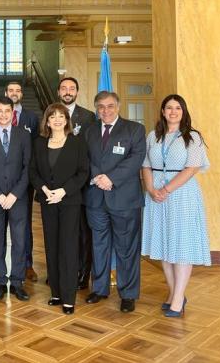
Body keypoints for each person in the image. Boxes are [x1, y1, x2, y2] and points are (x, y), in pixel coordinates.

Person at [141, 94, 210, 318]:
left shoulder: (193, 137)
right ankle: (173, 293)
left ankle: (179, 298)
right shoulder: (153, 136)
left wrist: (167, 190)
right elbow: (146, 166)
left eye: (177, 108)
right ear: (162, 111)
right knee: (163, 242)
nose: (173, 112)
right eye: (169, 108)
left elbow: (192, 168)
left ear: (183, 112)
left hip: (181, 195)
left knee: (181, 244)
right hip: (156, 195)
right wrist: (152, 190)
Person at [84, 91, 146, 313]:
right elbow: (85, 158)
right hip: (95, 198)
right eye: (101, 107)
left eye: (110, 106)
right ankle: (100, 289)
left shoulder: (134, 129)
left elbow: (136, 159)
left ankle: (128, 293)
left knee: (127, 248)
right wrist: (98, 177)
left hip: (125, 199)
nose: (105, 111)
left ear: (118, 107)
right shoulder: (89, 131)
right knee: (99, 245)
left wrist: (111, 178)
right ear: (96, 109)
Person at [30, 103, 90, 314]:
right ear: (47, 120)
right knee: (51, 246)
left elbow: (83, 173)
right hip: (47, 200)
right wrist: (45, 189)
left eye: (61, 116)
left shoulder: (77, 143)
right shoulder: (39, 143)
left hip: (69, 201)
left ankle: (69, 297)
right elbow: (33, 171)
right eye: (52, 116)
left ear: (67, 120)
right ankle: (56, 293)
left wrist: (63, 192)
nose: (57, 119)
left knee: (68, 248)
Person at [0, 97, 31, 301]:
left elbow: (28, 167)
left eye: (7, 111)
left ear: (13, 113)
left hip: (18, 198)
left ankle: (18, 282)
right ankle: (0, 282)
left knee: (19, 241)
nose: (3, 114)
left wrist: (15, 194)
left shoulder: (24, 135)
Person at [57, 76, 96, 290]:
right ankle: (61, 271)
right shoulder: (50, 114)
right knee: (59, 232)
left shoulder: (89, 117)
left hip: (80, 186)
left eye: (72, 88)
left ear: (77, 92)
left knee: (82, 234)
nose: (68, 91)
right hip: (55, 187)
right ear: (58, 92)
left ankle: (83, 273)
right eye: (64, 88)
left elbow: (92, 152)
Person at [4, 80, 39, 282]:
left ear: (21, 94)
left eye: (18, 90)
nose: (15, 93)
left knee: (24, 225)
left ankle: (27, 265)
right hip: (1, 182)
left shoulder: (31, 118)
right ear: (6, 92)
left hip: (24, 182)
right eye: (11, 90)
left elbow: (34, 150)